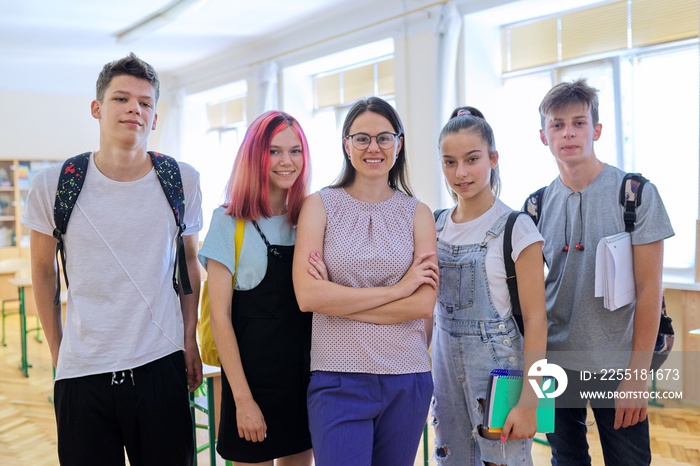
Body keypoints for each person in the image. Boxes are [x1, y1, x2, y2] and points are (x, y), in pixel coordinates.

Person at [22, 53, 203, 465]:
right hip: (83, 369)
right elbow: (42, 271)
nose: (133, 110)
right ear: (97, 108)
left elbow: (189, 263)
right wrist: (57, 350)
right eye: (121, 99)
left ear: (155, 117)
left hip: (161, 362)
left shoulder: (182, 180)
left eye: (145, 102)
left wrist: (189, 337)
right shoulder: (54, 184)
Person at [530, 79, 674, 465]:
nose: (568, 132)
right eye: (556, 125)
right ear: (543, 136)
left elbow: (649, 290)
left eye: (578, 123)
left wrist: (637, 375)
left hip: (617, 365)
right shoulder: (535, 206)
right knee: (566, 459)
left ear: (596, 130)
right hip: (555, 363)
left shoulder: (635, 194)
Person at [292, 96, 438, 466]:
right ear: (346, 144)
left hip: (407, 377)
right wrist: (398, 290)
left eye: (384, 138)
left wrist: (338, 301)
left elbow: (422, 305)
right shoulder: (319, 205)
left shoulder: (418, 213)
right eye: (362, 138)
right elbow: (308, 296)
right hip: (338, 377)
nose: (374, 147)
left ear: (398, 144)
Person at [431, 108, 548, 465]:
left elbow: (537, 320)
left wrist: (530, 401)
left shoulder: (517, 227)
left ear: (493, 159)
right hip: (444, 371)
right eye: (450, 162)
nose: (461, 173)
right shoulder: (434, 225)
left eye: (472, 159)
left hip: (500, 373)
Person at [198, 110, 313, 466]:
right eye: (274, 151)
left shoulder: (310, 217)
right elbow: (220, 319)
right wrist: (244, 401)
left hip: (304, 385)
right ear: (255, 156)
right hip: (251, 386)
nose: (286, 161)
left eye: (295, 151)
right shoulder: (228, 221)